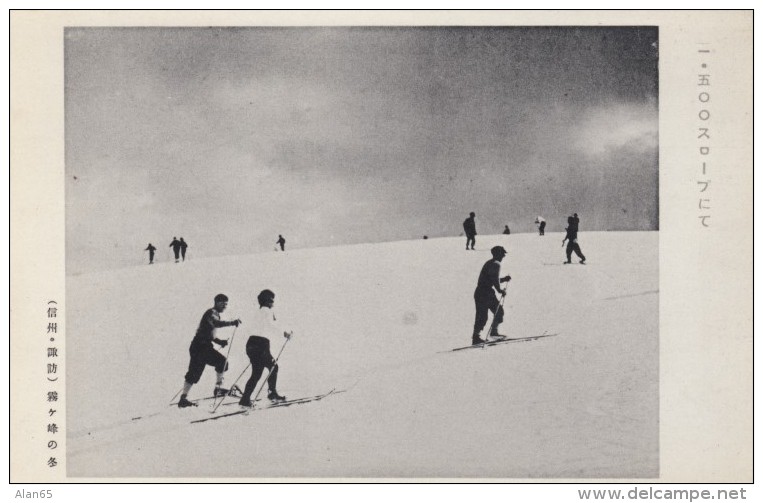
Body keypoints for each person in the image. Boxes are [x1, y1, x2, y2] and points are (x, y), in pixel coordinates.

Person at [177, 294, 242, 408]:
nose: (224, 306)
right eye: (222, 303)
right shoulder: (211, 313)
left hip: (199, 346)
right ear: (216, 302)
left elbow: (209, 334)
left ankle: (183, 398)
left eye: (226, 304)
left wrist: (219, 341)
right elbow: (216, 324)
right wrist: (232, 323)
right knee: (222, 362)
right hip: (201, 347)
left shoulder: (215, 314)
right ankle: (218, 389)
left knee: (194, 373)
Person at [239, 289, 291, 407]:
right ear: (268, 301)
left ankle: (246, 398)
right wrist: (285, 333)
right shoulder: (267, 311)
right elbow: (270, 325)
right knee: (273, 367)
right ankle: (271, 393)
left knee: (258, 373)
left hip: (252, 343)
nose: (273, 302)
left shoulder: (259, 312)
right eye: (272, 300)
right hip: (261, 344)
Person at [472, 246, 512, 344]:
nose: (504, 256)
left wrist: (503, 279)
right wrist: (500, 290)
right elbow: (494, 279)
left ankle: (479, 336)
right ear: (498, 254)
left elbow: (492, 278)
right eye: (503, 254)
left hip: (483, 292)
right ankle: (487, 335)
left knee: (495, 312)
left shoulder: (491, 263)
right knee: (488, 314)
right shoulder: (496, 264)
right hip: (484, 293)